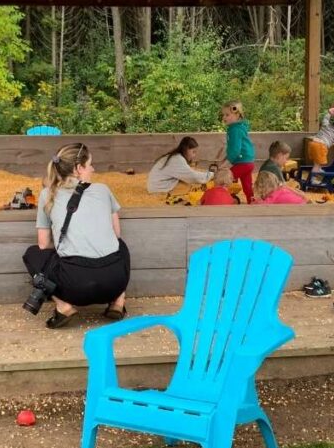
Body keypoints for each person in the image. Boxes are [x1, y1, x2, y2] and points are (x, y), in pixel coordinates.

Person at [25, 143, 129, 329]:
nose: (93, 169)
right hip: (115, 282)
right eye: (90, 164)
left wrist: (68, 245)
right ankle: (118, 302)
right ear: (79, 168)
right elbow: (116, 234)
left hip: (75, 288)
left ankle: (64, 306)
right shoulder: (103, 190)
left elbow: (43, 244)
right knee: (121, 246)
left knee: (32, 253)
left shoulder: (46, 194)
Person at [147, 136, 212, 195]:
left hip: (155, 186)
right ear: (186, 149)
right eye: (193, 152)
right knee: (187, 187)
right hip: (158, 189)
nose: (194, 155)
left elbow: (189, 173)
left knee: (187, 183)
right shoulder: (177, 159)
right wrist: (211, 175)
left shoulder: (176, 157)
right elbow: (192, 176)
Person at [220, 100, 256, 203]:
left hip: (242, 162)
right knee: (247, 186)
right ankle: (252, 202)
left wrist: (227, 163)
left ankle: (222, 199)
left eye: (227, 115)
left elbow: (235, 150)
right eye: (223, 115)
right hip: (248, 162)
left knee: (223, 179)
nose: (224, 118)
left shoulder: (234, 130)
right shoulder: (239, 127)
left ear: (237, 115)